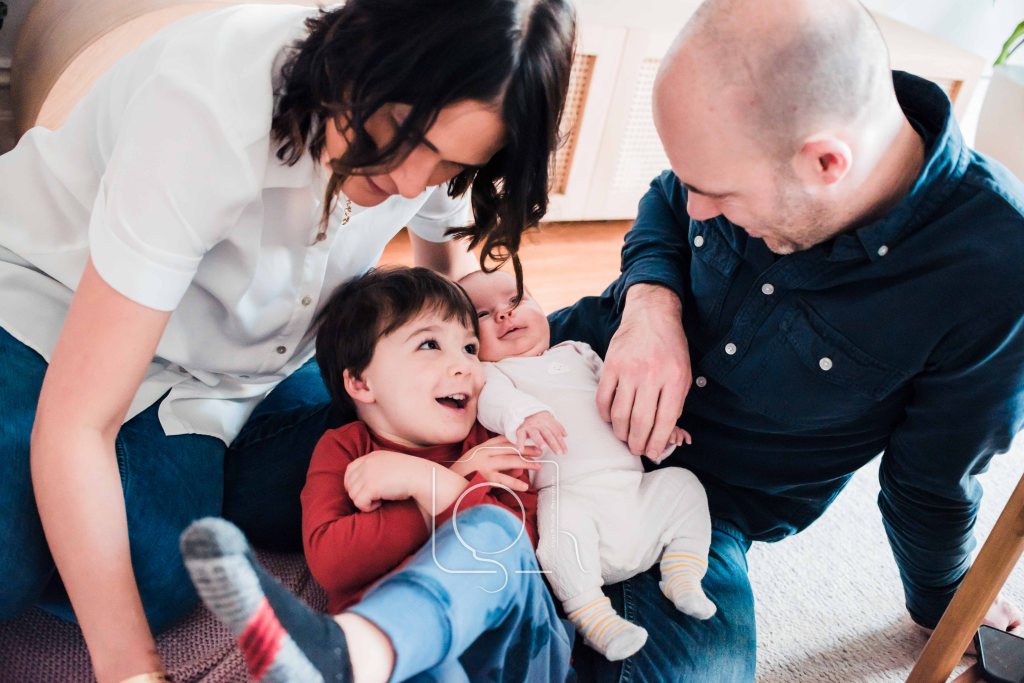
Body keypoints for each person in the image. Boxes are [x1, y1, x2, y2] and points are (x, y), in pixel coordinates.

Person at [0, 0, 576, 679]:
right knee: (43, 551)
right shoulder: (205, 110)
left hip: (239, 377)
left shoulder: (440, 127)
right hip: (49, 309)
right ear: (363, 45)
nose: (411, 182)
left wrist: (479, 354)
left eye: (448, 164)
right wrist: (130, 668)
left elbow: (439, 284)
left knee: (163, 568)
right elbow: (78, 421)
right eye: (403, 134)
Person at [547, 0, 1024, 680]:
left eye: (716, 195)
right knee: (350, 393)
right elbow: (665, 200)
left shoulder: (995, 272)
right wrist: (650, 304)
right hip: (577, 369)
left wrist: (949, 601)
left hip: (706, 503)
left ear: (826, 163)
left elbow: (932, 481)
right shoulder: (732, 150)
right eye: (693, 185)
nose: (697, 210)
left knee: (688, 671)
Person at [182, 266, 573, 683]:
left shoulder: (492, 440)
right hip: (409, 671)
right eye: (430, 344)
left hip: (516, 650)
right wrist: (433, 500)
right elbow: (332, 564)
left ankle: (352, 650)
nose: (465, 367)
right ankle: (353, 652)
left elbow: (523, 551)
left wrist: (433, 484)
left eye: (471, 349)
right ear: (362, 383)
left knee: (493, 525)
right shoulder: (343, 448)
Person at [460, 268, 715, 662]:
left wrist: (657, 438)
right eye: (483, 314)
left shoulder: (578, 351)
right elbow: (495, 404)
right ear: (470, 344)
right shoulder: (493, 374)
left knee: (683, 484)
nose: (504, 316)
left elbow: (619, 401)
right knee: (559, 525)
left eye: (515, 300)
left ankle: (683, 573)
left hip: (634, 493)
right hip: (573, 498)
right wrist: (525, 416)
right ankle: (592, 615)